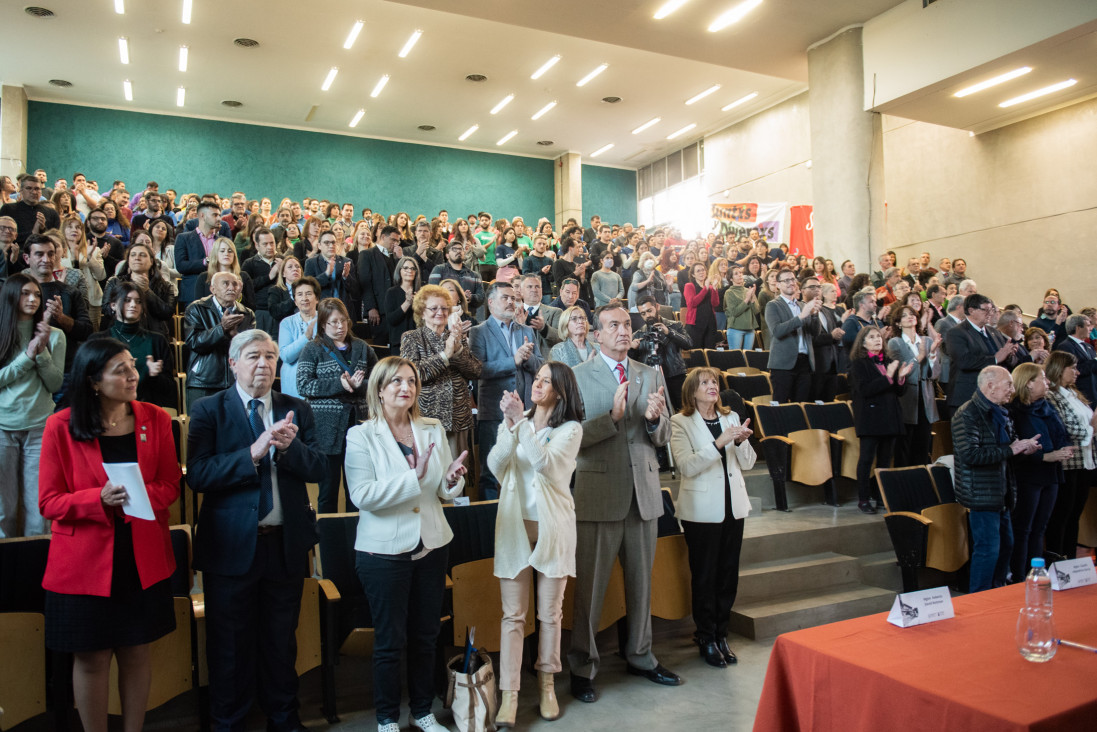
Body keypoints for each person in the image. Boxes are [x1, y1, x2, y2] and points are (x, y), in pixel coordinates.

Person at [186, 329, 325, 732]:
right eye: (253, 356)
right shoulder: (209, 409)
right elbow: (198, 474)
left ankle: (284, 719)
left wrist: (288, 448)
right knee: (229, 645)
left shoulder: (296, 407)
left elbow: (319, 468)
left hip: (285, 546)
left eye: (270, 356)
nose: (263, 363)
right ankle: (228, 722)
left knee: (281, 642)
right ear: (233, 363)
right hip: (230, 549)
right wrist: (254, 451)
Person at [39, 337, 179, 732]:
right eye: (120, 369)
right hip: (83, 565)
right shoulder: (59, 426)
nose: (133, 374)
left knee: (137, 652)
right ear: (94, 381)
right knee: (91, 658)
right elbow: (49, 502)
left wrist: (137, 494)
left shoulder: (156, 418)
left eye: (132, 366)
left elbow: (170, 485)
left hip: (142, 557)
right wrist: (96, 500)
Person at [345, 356, 468, 732]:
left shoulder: (431, 428)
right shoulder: (361, 435)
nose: (406, 387)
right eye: (396, 381)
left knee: (426, 634)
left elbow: (446, 491)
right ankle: (386, 718)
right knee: (389, 641)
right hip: (382, 552)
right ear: (379, 390)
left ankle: (421, 710)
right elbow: (362, 495)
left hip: (431, 544)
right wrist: (413, 478)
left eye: (411, 381)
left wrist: (452, 480)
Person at [568, 304, 680, 704]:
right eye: (612, 325)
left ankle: (641, 655)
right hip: (599, 494)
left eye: (627, 325)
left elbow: (664, 434)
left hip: (644, 494)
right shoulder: (578, 377)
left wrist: (653, 420)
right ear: (597, 334)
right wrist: (612, 418)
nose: (622, 331)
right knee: (591, 590)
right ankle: (583, 666)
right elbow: (570, 437)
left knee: (642, 584)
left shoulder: (650, 374)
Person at [489, 362, 584, 726]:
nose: (537, 384)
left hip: (553, 528)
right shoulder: (519, 420)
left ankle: (547, 685)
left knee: (550, 615)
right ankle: (509, 695)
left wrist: (522, 425)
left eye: (546, 380)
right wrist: (511, 428)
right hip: (514, 526)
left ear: (559, 390)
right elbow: (498, 466)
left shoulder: (570, 429)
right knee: (513, 616)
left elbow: (548, 467)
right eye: (537, 378)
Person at [669, 367, 756, 668]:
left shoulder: (730, 418)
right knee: (705, 576)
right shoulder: (680, 422)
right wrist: (720, 442)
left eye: (714, 382)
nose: (712, 386)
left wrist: (743, 441)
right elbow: (686, 466)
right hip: (702, 512)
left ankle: (722, 634)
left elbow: (747, 464)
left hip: (734, 507)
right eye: (704, 383)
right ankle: (706, 636)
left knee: (727, 574)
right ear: (692, 391)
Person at [953, 366, 1041, 592]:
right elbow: (970, 455)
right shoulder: (968, 413)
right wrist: (1011, 450)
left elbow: (1007, 449)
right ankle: (979, 598)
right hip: (981, 494)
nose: (1013, 389)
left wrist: (1023, 449)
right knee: (988, 549)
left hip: (1001, 491)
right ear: (990, 386)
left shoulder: (1001, 411)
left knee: (1006, 546)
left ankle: (999, 591)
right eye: (1008, 384)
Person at [296, 298, 377, 513]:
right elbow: (303, 385)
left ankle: (356, 542)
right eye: (333, 322)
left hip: (358, 426)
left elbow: (380, 383)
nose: (340, 326)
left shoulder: (362, 347)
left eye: (343, 321)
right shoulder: (312, 349)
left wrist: (360, 386)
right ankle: (330, 543)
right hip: (326, 431)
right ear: (323, 324)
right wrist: (338, 384)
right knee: (328, 494)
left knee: (358, 492)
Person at [0, 273, 64, 536]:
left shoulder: (56, 335)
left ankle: (33, 569)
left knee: (38, 508)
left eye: (37, 294)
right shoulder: (3, 332)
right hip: (3, 426)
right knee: (4, 508)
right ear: (11, 296)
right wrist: (28, 356)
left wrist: (42, 351)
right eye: (26, 293)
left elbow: (55, 383)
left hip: (40, 426)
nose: (33, 299)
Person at [469, 281, 543, 500]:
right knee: (491, 473)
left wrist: (527, 359)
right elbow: (478, 369)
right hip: (494, 412)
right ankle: (491, 525)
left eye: (514, 298)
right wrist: (514, 360)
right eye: (505, 297)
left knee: (526, 467)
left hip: (526, 411)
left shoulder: (527, 331)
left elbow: (540, 366)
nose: (511, 301)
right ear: (491, 303)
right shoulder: (478, 332)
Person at [399, 285, 481, 476]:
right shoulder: (411, 338)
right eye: (434, 308)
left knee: (456, 477)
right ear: (422, 311)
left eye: (445, 308)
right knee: (430, 475)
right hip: (427, 420)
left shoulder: (456, 337)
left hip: (458, 419)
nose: (440, 312)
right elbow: (413, 375)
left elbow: (476, 371)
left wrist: (458, 350)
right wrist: (445, 356)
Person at [1008, 362, 1073, 580]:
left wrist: (1064, 449)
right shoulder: (1013, 410)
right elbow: (1014, 447)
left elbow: (1060, 434)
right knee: (1024, 529)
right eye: (1042, 378)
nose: (1048, 383)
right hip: (1028, 475)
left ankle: (1036, 575)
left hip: (1050, 474)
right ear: (1027, 384)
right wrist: (1045, 456)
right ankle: (1019, 576)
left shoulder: (1046, 407)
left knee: (1040, 528)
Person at [848, 326, 912, 513]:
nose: (877, 340)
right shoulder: (858, 364)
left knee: (885, 461)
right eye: (872, 337)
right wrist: (889, 376)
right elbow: (865, 390)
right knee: (867, 459)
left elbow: (899, 392)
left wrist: (900, 378)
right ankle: (864, 499)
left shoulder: (890, 361)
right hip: (870, 417)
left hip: (890, 416)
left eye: (879, 337)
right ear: (863, 342)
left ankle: (881, 497)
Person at [1044, 351, 1097, 560]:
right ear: (1059, 370)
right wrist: (1093, 428)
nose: (1077, 372)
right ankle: (1058, 558)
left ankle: (1070, 558)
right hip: (1068, 462)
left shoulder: (1074, 393)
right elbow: (1065, 428)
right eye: (1072, 368)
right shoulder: (1052, 395)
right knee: (1062, 515)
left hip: (1085, 460)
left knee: (1075, 515)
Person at [91, 283, 176, 409]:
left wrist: (155, 376)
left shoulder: (157, 340)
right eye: (127, 300)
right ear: (113, 305)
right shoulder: (98, 340)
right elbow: (90, 382)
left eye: (138, 302)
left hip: (146, 408)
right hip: (108, 409)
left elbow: (170, 388)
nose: (133, 305)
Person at [183, 272, 256, 409]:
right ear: (213, 289)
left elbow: (250, 350)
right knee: (202, 428)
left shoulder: (247, 313)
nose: (231, 287)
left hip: (236, 382)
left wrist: (235, 335)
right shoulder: (196, 309)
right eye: (225, 283)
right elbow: (194, 342)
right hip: (203, 381)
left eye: (235, 284)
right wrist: (221, 328)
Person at [887, 305, 941, 466]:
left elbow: (935, 373)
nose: (910, 317)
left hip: (926, 396)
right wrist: (919, 358)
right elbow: (899, 372)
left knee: (923, 445)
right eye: (904, 316)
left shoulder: (927, 341)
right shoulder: (895, 343)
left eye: (912, 314)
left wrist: (931, 354)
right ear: (898, 323)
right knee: (904, 447)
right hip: (906, 397)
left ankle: (920, 480)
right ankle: (903, 482)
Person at [945, 294, 1014, 415]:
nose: (990, 313)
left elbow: (1004, 359)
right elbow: (964, 361)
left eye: (991, 310)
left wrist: (1009, 354)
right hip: (968, 397)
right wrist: (995, 359)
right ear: (971, 310)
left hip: (995, 397)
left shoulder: (994, 332)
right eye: (985, 310)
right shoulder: (956, 333)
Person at [101, 243, 177, 339]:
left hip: (153, 335)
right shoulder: (115, 282)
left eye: (142, 255)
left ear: (151, 261)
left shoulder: (166, 286)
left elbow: (167, 313)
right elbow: (106, 310)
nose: (137, 258)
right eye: (133, 255)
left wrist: (147, 291)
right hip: (120, 334)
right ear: (128, 260)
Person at [631, 296, 691, 410]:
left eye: (649, 311)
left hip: (676, 376)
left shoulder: (675, 326)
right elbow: (632, 363)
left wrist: (669, 332)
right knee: (663, 414)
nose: (647, 316)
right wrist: (632, 349)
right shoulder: (638, 335)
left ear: (657, 307)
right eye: (643, 313)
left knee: (685, 411)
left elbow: (688, 344)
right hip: (652, 379)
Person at [766, 269, 817, 403]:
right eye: (786, 280)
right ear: (778, 285)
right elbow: (777, 331)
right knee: (781, 406)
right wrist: (801, 317)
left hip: (804, 362)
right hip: (783, 363)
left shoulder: (802, 305)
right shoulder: (773, 305)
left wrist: (815, 315)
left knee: (802, 406)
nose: (791, 283)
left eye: (793, 279)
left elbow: (814, 333)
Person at [276, 276, 320, 400]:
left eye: (308, 294)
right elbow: (285, 356)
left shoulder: (326, 321)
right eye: (299, 294)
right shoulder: (286, 323)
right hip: (293, 386)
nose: (304, 298)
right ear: (295, 300)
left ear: (317, 298)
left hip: (320, 383)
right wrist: (306, 337)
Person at [194, 237, 257, 310]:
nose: (226, 254)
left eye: (230, 251)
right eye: (222, 251)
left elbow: (252, 307)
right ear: (215, 254)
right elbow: (198, 306)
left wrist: (239, 296)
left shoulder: (243, 276)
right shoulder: (204, 277)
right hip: (211, 319)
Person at [1053, 314, 1097, 406]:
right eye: (1088, 325)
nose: (1091, 329)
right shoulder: (1065, 346)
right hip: (1080, 395)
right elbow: (1075, 370)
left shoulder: (1089, 346)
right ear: (1078, 328)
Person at [383, 256, 421, 348]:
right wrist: (407, 302)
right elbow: (391, 319)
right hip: (398, 342)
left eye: (413, 268)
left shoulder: (421, 292)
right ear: (399, 271)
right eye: (406, 268)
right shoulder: (392, 292)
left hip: (418, 342)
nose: (410, 271)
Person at [681, 261, 719, 350]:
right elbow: (692, 304)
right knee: (696, 352)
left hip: (710, 323)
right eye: (698, 271)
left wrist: (714, 288)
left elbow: (715, 303)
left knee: (709, 352)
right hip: (695, 325)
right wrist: (705, 289)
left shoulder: (709, 287)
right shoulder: (689, 286)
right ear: (693, 275)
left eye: (703, 270)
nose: (701, 272)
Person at [723, 265, 759, 350]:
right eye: (736, 274)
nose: (740, 275)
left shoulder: (748, 290)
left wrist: (753, 297)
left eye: (740, 273)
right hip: (735, 328)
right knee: (736, 357)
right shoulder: (729, 292)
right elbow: (735, 312)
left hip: (750, 328)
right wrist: (747, 299)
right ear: (731, 279)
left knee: (747, 356)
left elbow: (756, 310)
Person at [268, 256, 305, 323]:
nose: (295, 269)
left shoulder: (309, 289)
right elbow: (275, 312)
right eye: (290, 267)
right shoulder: (275, 290)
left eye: (297, 266)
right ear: (283, 273)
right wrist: (294, 299)